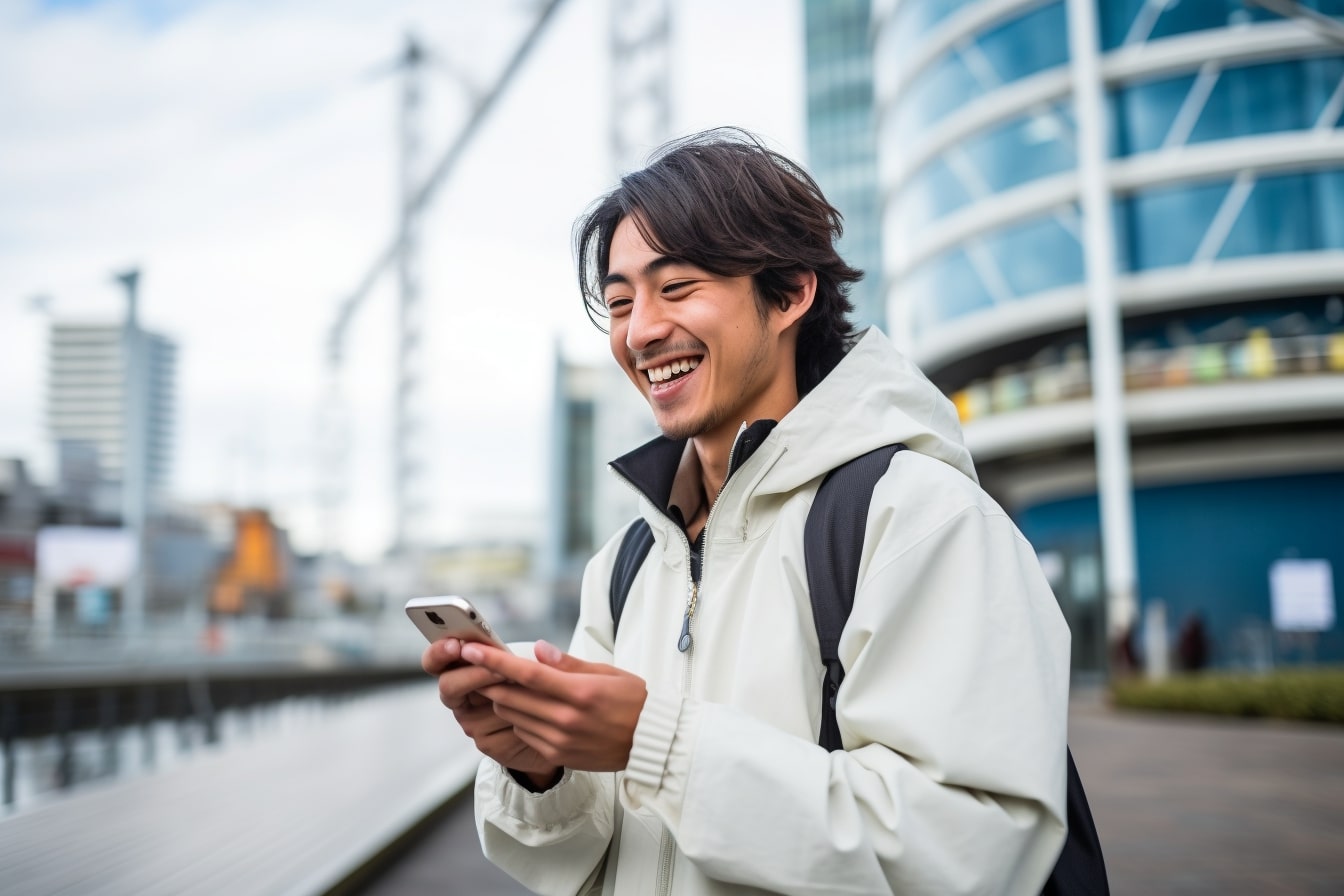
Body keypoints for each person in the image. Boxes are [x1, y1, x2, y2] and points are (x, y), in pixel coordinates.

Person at [422, 127, 1071, 894]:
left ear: (791, 293)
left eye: (678, 288)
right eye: (622, 303)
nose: (640, 333)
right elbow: (579, 856)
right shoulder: (627, 563)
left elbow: (972, 852)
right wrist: (541, 768)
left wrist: (655, 744)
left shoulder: (920, 518)